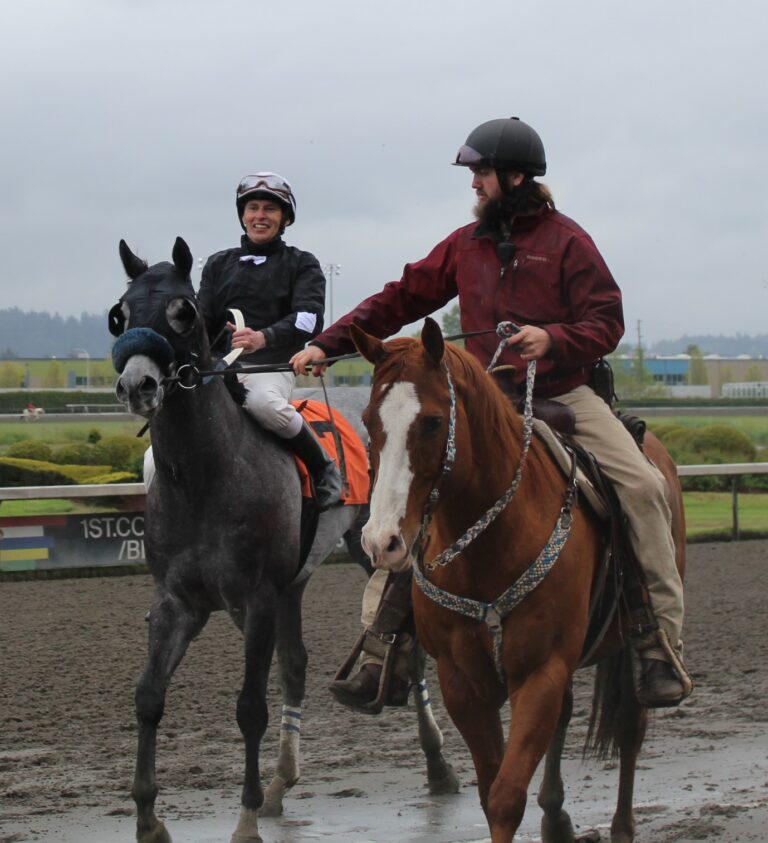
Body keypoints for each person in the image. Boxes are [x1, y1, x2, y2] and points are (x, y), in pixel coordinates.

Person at [290, 117, 690, 709]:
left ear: (516, 177)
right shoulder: (464, 244)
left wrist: (553, 338)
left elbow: (606, 320)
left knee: (644, 486)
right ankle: (383, 646)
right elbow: (400, 297)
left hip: (567, 395)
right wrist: (329, 343)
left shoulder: (569, 242)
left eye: (481, 172)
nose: (474, 183)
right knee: (417, 486)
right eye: (474, 173)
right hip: (483, 402)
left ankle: (657, 640)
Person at [196, 171, 342, 509]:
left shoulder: (302, 264)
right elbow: (203, 321)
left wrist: (264, 337)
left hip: (271, 368)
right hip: (219, 371)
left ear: (285, 219)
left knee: (263, 404)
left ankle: (323, 467)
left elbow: (309, 319)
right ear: (243, 216)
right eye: (253, 208)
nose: (260, 216)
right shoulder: (217, 264)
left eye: (270, 209)